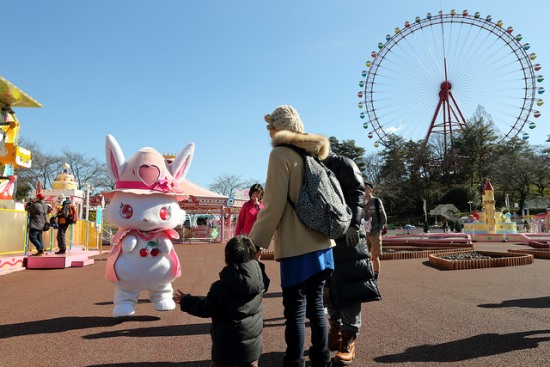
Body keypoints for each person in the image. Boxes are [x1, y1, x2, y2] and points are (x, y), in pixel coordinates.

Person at [249, 105, 334, 367]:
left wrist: (255, 242)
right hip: (323, 242)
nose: (269, 133)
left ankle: (295, 361)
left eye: (271, 128)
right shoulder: (313, 153)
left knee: (295, 311)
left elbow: (273, 205)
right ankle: (322, 359)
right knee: (317, 306)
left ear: (279, 128)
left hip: (297, 246)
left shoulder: (280, 155)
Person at [173, 235, 270, 367]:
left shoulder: (221, 287)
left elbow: (205, 308)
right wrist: (256, 260)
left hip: (225, 347)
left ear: (228, 257)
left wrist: (186, 301)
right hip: (252, 346)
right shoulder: (261, 280)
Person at [323, 151, 370, 364]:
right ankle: (335, 329)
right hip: (326, 234)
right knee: (329, 285)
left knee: (351, 285)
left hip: (349, 235)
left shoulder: (343, 163)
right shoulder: (311, 165)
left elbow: (357, 193)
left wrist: (354, 225)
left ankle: (349, 338)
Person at [364, 182, 387, 281]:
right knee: (366, 256)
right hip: (364, 233)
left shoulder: (376, 201)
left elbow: (383, 217)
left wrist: (379, 229)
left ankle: (376, 276)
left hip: (375, 232)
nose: (364, 190)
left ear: (371, 190)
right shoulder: (360, 202)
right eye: (363, 188)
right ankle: (368, 274)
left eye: (366, 188)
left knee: (375, 255)